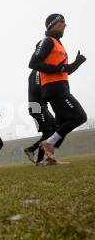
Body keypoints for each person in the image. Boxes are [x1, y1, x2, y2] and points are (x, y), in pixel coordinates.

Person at [28, 14, 87, 164]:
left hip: (61, 86)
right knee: (80, 117)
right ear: (53, 24)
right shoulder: (47, 41)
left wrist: (77, 63)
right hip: (55, 88)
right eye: (62, 22)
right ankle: (49, 143)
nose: (65, 25)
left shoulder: (58, 44)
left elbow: (64, 70)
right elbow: (33, 63)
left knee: (60, 125)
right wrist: (58, 68)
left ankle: (49, 158)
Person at [24, 70, 56, 165]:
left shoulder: (40, 71)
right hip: (37, 106)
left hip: (42, 106)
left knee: (53, 130)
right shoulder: (37, 71)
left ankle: (38, 158)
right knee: (48, 132)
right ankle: (32, 151)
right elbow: (36, 88)